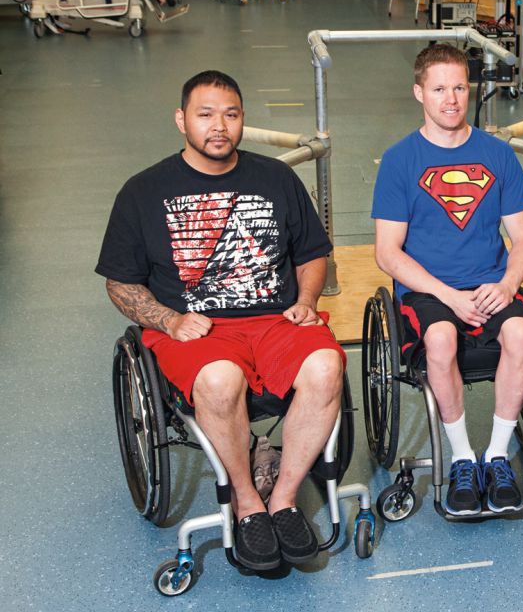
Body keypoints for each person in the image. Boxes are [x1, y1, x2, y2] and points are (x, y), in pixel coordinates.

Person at [96, 71, 346, 570]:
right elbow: (120, 283)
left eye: (230, 115)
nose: (219, 127)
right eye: (205, 115)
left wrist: (308, 298)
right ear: (181, 120)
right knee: (218, 379)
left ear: (242, 121)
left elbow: (313, 252)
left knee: (325, 366)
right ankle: (248, 502)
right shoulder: (143, 191)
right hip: (197, 329)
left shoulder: (275, 179)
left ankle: (285, 500)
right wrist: (167, 320)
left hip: (275, 320)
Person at [372, 44, 523, 517]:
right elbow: (388, 252)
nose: (451, 99)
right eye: (439, 88)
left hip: (490, 282)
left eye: (460, 87)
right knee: (441, 339)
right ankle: (464, 457)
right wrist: (447, 295)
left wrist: (507, 285)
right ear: (419, 93)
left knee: (522, 332)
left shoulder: (497, 155)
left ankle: (499, 454)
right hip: (429, 289)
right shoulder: (400, 160)